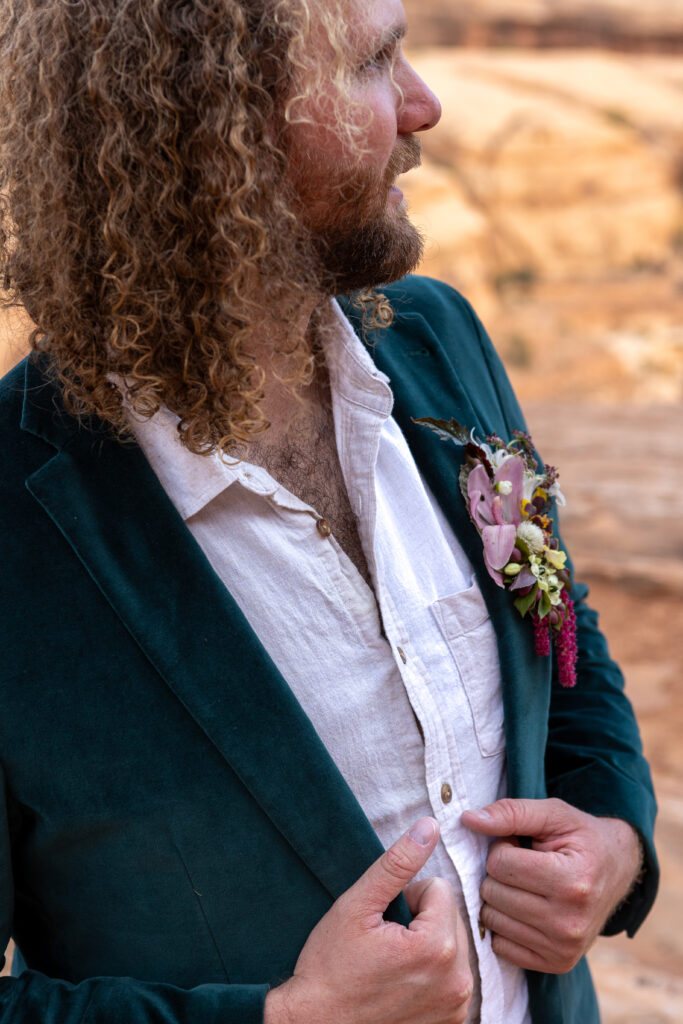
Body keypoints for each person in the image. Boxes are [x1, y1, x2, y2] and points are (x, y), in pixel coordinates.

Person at [0, 0, 657, 1021]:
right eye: (373, 62)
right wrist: (282, 1018)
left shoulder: (439, 339)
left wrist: (612, 837)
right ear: (210, 125)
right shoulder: (16, 515)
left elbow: (559, 630)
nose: (423, 105)